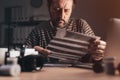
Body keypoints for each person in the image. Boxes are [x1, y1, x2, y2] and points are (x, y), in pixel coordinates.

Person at [24, 0, 106, 63]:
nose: (61, 15)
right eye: (56, 9)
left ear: (72, 9)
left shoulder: (81, 25)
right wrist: (33, 52)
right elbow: (22, 52)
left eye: (66, 10)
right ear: (49, 7)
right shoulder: (39, 30)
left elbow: (93, 57)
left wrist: (97, 55)